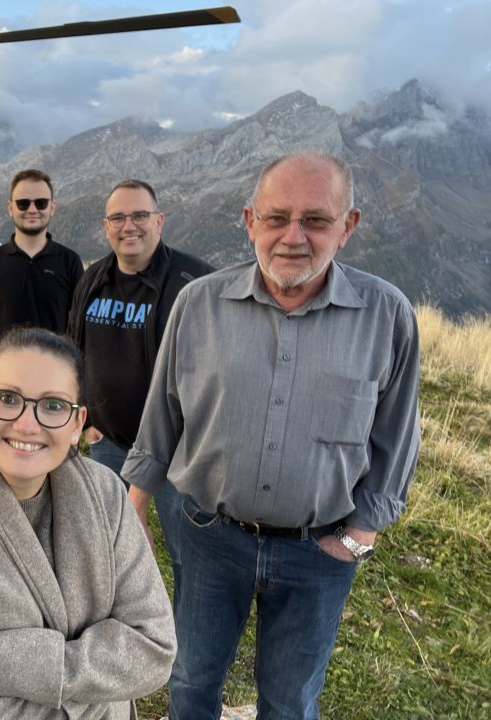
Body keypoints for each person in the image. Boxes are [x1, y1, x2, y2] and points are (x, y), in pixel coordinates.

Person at [124, 152, 421, 720]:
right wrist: (134, 503)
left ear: (347, 226)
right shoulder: (199, 304)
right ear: (249, 221)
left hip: (320, 552)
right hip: (209, 539)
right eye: (277, 217)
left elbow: (396, 436)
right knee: (190, 681)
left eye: (316, 220)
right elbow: (163, 412)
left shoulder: (388, 317)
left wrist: (359, 535)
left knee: (290, 702)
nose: (293, 237)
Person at [0, 327, 176, 719]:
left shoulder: (107, 497)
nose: (27, 425)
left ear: (77, 423)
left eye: (53, 405)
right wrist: (92, 699)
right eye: (8, 398)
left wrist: (0, 660)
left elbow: (154, 649)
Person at [68, 179, 212, 563]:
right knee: (116, 548)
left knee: (189, 557)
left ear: (159, 221)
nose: (128, 226)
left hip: (177, 455)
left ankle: (184, 606)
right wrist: (87, 422)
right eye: (118, 218)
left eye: (139, 215)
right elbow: (74, 352)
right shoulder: (93, 280)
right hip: (110, 444)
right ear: (106, 226)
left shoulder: (194, 281)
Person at [0, 169, 84, 388]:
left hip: (55, 378)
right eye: (23, 203)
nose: (32, 209)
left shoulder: (70, 262)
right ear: (10, 208)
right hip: (4, 378)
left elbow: (81, 328)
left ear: (52, 207)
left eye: (41, 203)